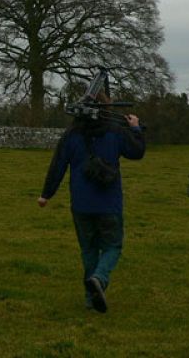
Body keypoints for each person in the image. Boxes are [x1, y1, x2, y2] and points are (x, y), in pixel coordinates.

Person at [37, 110, 145, 313]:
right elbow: (137, 152)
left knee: (89, 249)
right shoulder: (115, 131)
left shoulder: (72, 134)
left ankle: (90, 299)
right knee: (113, 246)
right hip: (109, 202)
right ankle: (99, 278)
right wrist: (135, 128)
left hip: (81, 203)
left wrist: (46, 195)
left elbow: (58, 165)